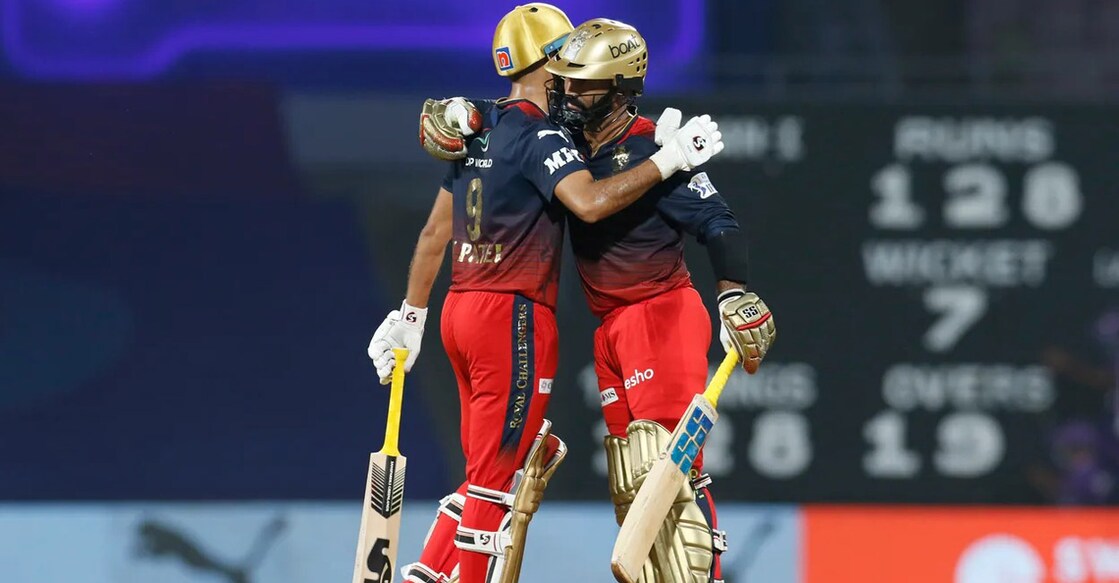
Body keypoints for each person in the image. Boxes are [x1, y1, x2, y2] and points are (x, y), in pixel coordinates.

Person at [366, 5, 727, 583]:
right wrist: (670, 159)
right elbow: (587, 202)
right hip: (511, 316)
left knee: (492, 462)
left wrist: (410, 314)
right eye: (563, 61)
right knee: (496, 479)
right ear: (545, 61)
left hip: (458, 310)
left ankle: (429, 574)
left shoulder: (478, 128)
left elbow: (436, 230)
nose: (571, 78)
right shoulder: (544, 133)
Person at [542, 18, 777, 583]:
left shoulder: (654, 147)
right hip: (610, 329)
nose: (570, 95)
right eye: (566, 82)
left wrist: (732, 296)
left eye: (585, 85)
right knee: (633, 488)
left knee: (669, 476)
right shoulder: (566, 146)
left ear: (621, 89)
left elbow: (721, 224)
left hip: (660, 315)